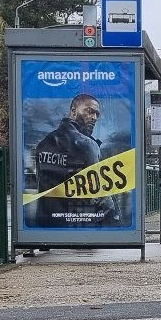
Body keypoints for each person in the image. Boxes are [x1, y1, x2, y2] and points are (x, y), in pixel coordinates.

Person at [32, 93, 106, 228]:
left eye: (97, 114)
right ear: (73, 111)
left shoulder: (43, 144)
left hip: (47, 223)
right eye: (89, 111)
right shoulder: (87, 145)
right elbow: (99, 193)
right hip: (78, 224)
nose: (94, 118)